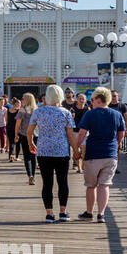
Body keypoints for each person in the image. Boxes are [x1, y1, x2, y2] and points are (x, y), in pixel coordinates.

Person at [73, 86, 127, 222]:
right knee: (105, 185)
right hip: (110, 154)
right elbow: (121, 134)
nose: (91, 102)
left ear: (98, 99)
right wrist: (115, 145)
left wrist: (76, 148)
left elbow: (82, 133)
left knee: (91, 185)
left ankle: (89, 212)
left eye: (92, 99)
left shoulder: (90, 114)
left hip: (93, 154)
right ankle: (101, 214)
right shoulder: (117, 114)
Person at [26, 85, 78, 222]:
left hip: (44, 151)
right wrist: (76, 151)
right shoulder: (65, 112)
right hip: (61, 152)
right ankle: (63, 211)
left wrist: (31, 143)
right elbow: (70, 135)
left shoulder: (39, 112)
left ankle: (49, 213)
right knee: (63, 182)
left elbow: (29, 131)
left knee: (47, 183)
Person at [17, 93, 38, 184]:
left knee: (27, 156)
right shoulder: (37, 110)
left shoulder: (22, 109)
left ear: (27, 99)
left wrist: (15, 134)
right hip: (35, 135)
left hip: (24, 135)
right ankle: (33, 175)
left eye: (23, 98)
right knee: (33, 156)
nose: (22, 100)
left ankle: (30, 175)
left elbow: (18, 124)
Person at [70, 92, 89, 173]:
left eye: (83, 99)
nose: (81, 100)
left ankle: (83, 166)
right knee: (76, 150)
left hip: (84, 132)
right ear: (76, 99)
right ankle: (79, 167)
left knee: (84, 151)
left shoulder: (87, 109)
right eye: (80, 98)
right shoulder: (72, 109)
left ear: (85, 100)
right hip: (74, 132)